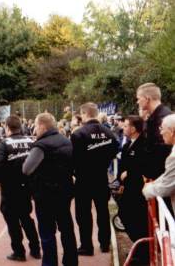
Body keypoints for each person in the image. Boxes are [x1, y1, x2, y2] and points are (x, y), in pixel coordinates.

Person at [23, 113, 78, 266]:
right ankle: (71, 261)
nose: (34, 128)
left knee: (47, 233)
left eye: (35, 124)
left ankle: (50, 263)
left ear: (42, 126)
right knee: (67, 229)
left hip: (45, 194)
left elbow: (27, 169)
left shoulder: (41, 146)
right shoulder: (67, 141)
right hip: (65, 191)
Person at [0, 115, 41, 262]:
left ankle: (19, 251)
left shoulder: (4, 145)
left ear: (7, 128)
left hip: (10, 188)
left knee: (12, 220)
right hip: (27, 188)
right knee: (26, 218)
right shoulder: (31, 142)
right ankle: (36, 249)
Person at [71, 102, 118, 255]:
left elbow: (73, 158)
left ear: (84, 114)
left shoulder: (78, 134)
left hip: (83, 179)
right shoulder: (109, 133)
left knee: (83, 214)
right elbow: (114, 150)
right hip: (101, 177)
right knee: (103, 211)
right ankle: (105, 243)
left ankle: (86, 246)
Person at [117, 115, 149, 264]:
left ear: (134, 129)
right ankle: (139, 247)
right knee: (124, 215)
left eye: (126, 126)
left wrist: (130, 173)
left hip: (137, 191)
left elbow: (144, 166)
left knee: (138, 220)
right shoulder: (127, 145)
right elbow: (123, 164)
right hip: (127, 189)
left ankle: (143, 253)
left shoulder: (144, 145)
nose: (123, 129)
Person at [136, 83, 172, 180]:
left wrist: (153, 179)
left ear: (147, 99)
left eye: (139, 98)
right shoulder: (152, 118)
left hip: (161, 179)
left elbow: (164, 152)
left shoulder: (164, 118)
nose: (137, 102)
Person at [143, 114, 175, 215]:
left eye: (162, 128)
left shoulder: (173, 157)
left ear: (172, 131)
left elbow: (165, 188)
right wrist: (154, 183)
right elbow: (169, 175)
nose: (160, 133)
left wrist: (147, 190)